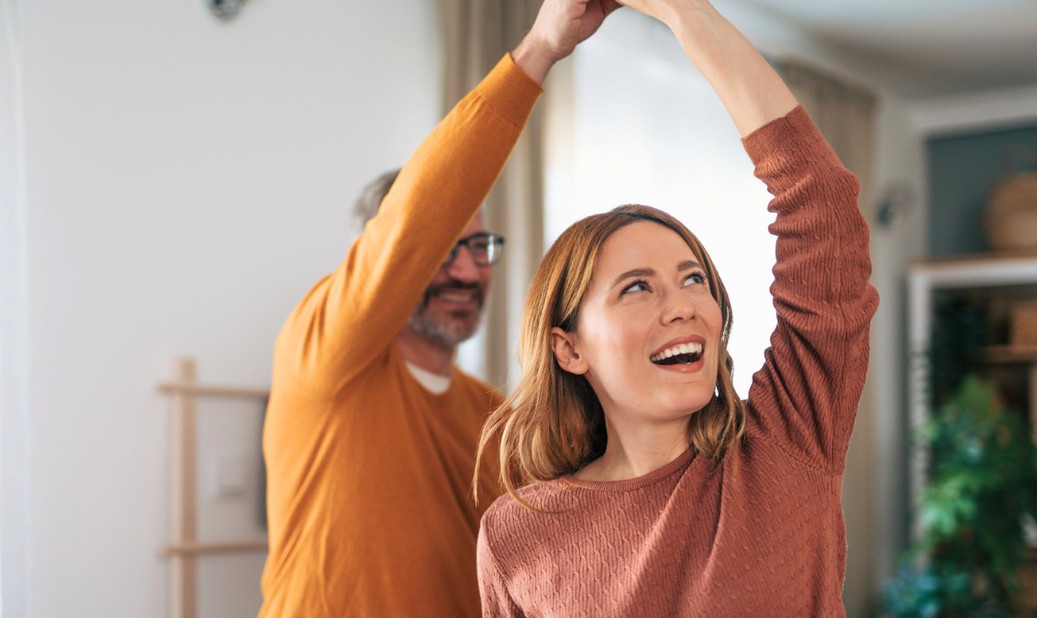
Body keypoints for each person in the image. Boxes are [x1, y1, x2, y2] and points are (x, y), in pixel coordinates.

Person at [473, 0, 880, 616]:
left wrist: (682, 11)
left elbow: (823, 210)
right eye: (637, 288)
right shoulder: (516, 535)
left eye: (694, 279)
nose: (684, 306)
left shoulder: (785, 446)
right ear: (569, 348)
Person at [257, 1, 619, 616]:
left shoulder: (492, 418)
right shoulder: (321, 356)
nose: (467, 271)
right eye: (444, 248)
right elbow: (417, 217)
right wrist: (540, 48)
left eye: (479, 247)